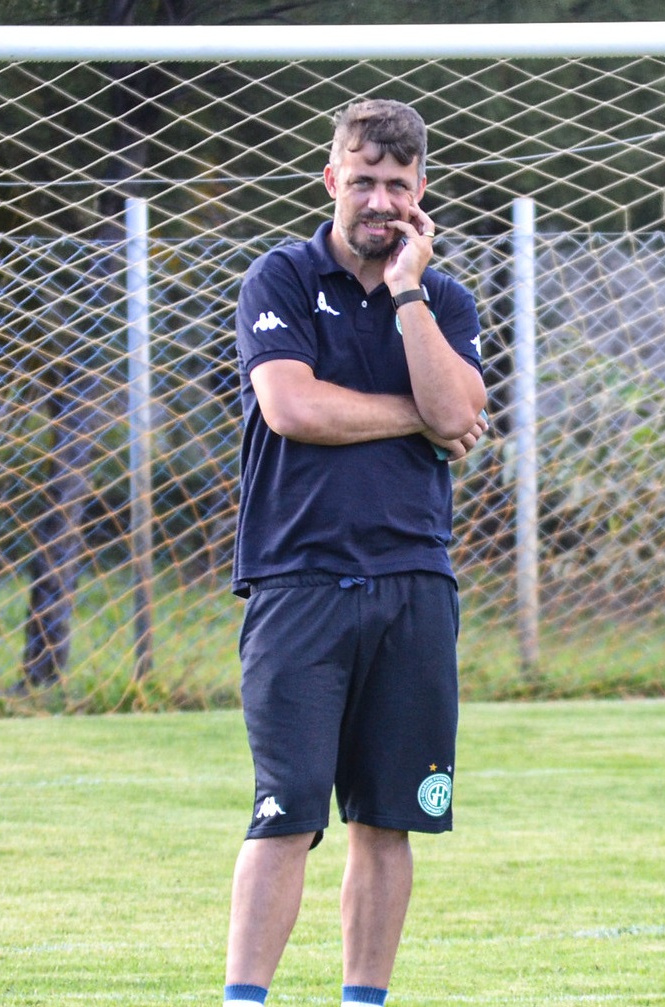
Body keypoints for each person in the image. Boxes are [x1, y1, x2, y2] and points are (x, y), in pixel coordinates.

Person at [223, 98, 489, 1007]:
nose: (379, 200)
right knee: (283, 811)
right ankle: (244, 998)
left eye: (398, 186)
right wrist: (416, 416)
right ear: (333, 178)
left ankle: (364, 1000)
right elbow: (292, 408)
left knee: (388, 821)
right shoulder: (282, 278)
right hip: (297, 583)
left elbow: (463, 415)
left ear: (421, 196)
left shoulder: (445, 299)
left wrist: (411, 291)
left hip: (415, 583)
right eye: (364, 180)